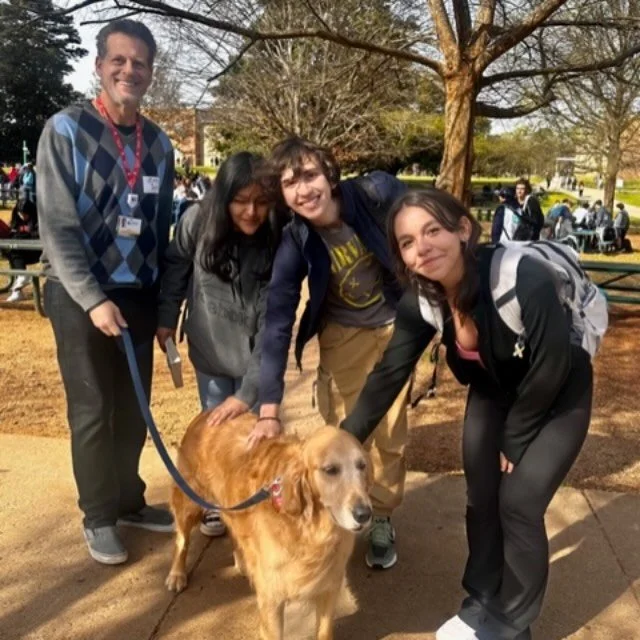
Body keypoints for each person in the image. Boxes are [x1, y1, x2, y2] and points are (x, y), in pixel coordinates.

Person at [341, 189, 593, 639]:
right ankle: (480, 601)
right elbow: (388, 374)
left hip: (558, 391)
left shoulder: (522, 278)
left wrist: (516, 437)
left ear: (462, 229)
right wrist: (345, 437)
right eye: (407, 241)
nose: (423, 247)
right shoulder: (422, 300)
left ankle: (513, 623)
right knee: (481, 499)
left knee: (517, 503)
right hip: (494, 391)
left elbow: (553, 364)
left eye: (433, 230)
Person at [37, 19, 175, 566]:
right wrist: (92, 299)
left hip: (137, 293)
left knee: (134, 411)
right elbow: (57, 226)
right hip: (78, 295)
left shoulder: (159, 144)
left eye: (139, 63)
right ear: (99, 66)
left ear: (149, 72)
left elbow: (162, 232)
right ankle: (97, 515)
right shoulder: (65, 129)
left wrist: (165, 307)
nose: (129, 70)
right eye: (118, 60)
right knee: (93, 409)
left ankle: (127, 500)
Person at [248, 136, 407, 570]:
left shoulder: (376, 193)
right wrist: (268, 406)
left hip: (395, 329)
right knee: (345, 437)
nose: (303, 190)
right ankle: (342, 507)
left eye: (310, 175)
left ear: (329, 174)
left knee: (391, 432)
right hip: (343, 338)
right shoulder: (296, 240)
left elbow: (431, 225)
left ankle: (382, 515)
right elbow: (278, 319)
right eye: (290, 183)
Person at [157, 151, 285, 537]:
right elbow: (177, 264)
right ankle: (217, 501)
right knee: (215, 432)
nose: (250, 212)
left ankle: (255, 502)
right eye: (240, 201)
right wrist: (166, 317)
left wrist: (248, 394)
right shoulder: (196, 220)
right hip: (210, 351)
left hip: (255, 360)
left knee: (257, 434)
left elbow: (272, 325)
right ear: (222, 197)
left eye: (261, 202)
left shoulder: (277, 240)